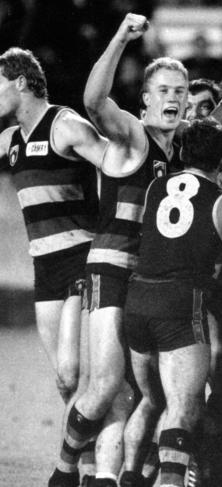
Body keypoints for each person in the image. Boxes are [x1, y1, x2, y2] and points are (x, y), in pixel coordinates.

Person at [48, 13, 188, 487]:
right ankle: (64, 472)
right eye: (164, 91)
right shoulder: (133, 135)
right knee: (104, 385)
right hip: (111, 268)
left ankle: (117, 476)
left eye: (179, 91)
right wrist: (120, 39)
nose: (173, 98)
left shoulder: (180, 154)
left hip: (151, 279)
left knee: (139, 392)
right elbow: (93, 101)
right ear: (146, 100)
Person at [123, 118, 222, 487]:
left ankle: (130, 476)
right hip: (181, 304)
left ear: (181, 152)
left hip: (138, 299)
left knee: (151, 401)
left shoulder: (154, 187)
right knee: (184, 407)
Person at [0, 46, 106, 485]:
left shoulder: (67, 127)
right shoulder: (8, 141)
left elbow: (117, 166)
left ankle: (94, 468)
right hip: (43, 267)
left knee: (72, 371)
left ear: (20, 82)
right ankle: (87, 468)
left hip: (82, 257)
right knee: (66, 384)